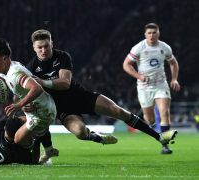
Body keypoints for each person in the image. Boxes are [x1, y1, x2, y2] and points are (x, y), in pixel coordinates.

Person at [26, 29, 177, 154]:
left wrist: (43, 82)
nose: (44, 50)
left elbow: (65, 83)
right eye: (40, 47)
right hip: (62, 108)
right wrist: (27, 104)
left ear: (51, 43)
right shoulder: (31, 68)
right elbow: (25, 92)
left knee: (117, 110)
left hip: (80, 96)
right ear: (34, 47)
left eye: (46, 46)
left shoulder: (63, 56)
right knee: (80, 132)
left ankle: (159, 137)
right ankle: (97, 138)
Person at [123, 23, 181, 154]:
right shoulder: (139, 47)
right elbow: (126, 64)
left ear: (158, 33)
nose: (152, 35)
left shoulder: (164, 47)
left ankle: (165, 145)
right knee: (150, 119)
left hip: (161, 85)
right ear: (145, 35)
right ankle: (155, 128)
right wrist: (139, 76)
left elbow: (173, 63)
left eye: (154, 32)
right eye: (149, 33)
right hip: (144, 87)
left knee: (164, 112)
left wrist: (174, 79)